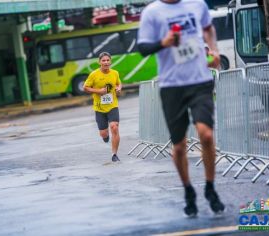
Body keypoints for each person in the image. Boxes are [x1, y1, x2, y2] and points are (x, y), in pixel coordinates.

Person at [138, 0, 225, 217]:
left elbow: (208, 28)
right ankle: (188, 190)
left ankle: (210, 187)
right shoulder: (152, 12)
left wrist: (214, 50)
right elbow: (143, 48)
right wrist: (164, 42)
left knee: (205, 135)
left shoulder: (197, 4)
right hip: (172, 87)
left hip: (200, 82)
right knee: (179, 147)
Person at [83, 52, 122, 162]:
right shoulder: (94, 74)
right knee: (104, 133)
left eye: (107, 60)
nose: (106, 62)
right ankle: (105, 137)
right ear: (99, 62)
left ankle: (114, 154)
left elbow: (119, 83)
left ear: (110, 61)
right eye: (103, 60)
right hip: (99, 108)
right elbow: (85, 88)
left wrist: (119, 88)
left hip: (112, 105)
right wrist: (98, 91)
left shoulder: (115, 73)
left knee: (114, 127)